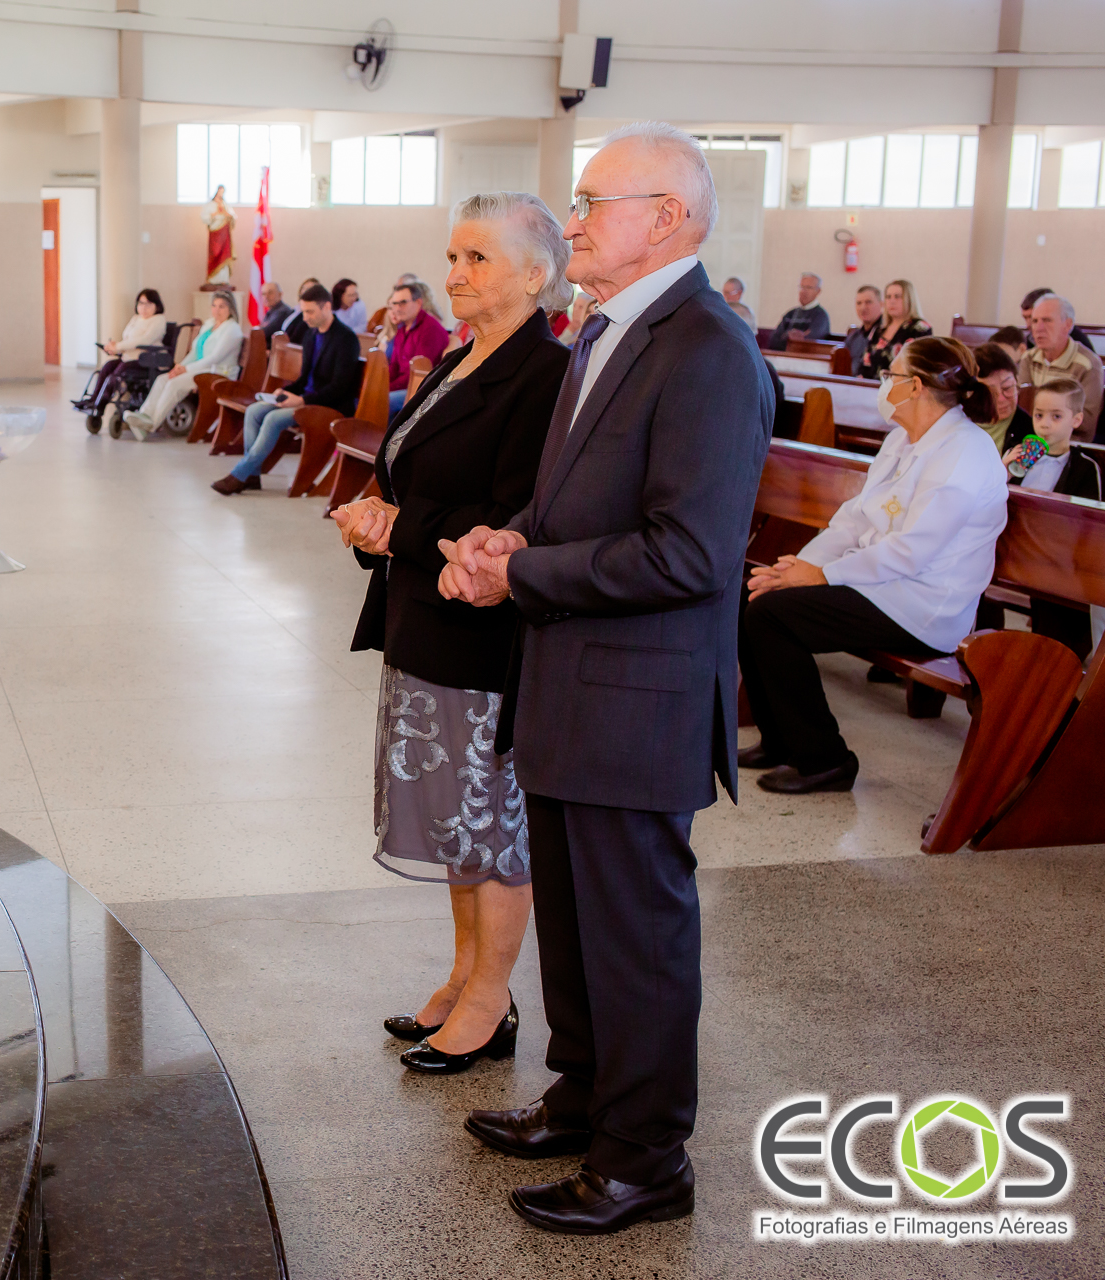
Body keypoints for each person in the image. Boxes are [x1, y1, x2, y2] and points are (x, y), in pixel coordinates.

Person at [439, 121, 771, 1236]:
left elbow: (691, 554)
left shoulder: (708, 350)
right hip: (571, 678)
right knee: (578, 925)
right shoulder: (604, 334)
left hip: (640, 699)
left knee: (637, 936)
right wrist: (512, 542)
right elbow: (577, 503)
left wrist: (526, 570)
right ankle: (582, 1098)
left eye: (591, 203)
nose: (572, 222)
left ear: (666, 219)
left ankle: (645, 1156)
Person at [334, 193, 569, 1078]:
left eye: (477, 258)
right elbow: (410, 474)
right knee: (456, 825)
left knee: (491, 825)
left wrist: (403, 526)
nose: (456, 273)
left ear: (536, 275)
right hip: (423, 616)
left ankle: (491, 998)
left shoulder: (545, 377)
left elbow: (516, 515)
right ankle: (466, 975)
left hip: (482, 626)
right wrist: (376, 517)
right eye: (454, 256)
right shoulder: (462, 359)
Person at [741, 336, 1008, 794]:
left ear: (916, 386)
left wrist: (822, 575)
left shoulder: (966, 451)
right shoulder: (903, 439)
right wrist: (800, 567)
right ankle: (781, 740)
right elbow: (855, 518)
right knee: (757, 595)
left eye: (890, 375)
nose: (884, 384)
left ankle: (825, 759)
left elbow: (913, 550)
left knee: (773, 617)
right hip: (881, 585)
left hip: (924, 605)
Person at [211, 284, 359, 494]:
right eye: (303, 311)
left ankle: (239, 474)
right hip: (306, 400)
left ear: (326, 307)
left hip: (329, 406)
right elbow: (304, 378)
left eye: (310, 312)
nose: (305, 318)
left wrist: (302, 400)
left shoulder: (346, 339)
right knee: (254, 411)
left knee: (273, 418)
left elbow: (340, 387)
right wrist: (285, 392)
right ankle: (252, 477)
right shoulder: (311, 335)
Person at [1003, 378, 1101, 657]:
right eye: (1039, 415)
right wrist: (1003, 472)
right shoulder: (1019, 456)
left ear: (1076, 419)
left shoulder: (1084, 467)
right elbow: (995, 500)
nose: (1045, 424)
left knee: (1058, 608)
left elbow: (1087, 523)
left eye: (1056, 416)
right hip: (1014, 548)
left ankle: (1057, 658)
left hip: (1056, 558)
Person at [124, 291, 243, 440]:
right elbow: (195, 352)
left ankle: (152, 423)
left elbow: (215, 358)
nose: (217, 310)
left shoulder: (232, 330)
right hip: (201, 369)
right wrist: (179, 367)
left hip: (217, 374)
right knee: (163, 379)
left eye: (222, 306)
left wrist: (186, 369)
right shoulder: (209, 325)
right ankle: (144, 416)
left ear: (231, 309)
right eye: (214, 306)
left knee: (174, 384)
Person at [77, 289, 168, 425]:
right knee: (107, 367)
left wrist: (118, 347)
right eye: (141, 303)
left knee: (120, 370)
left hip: (147, 360)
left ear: (157, 305)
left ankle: (101, 403)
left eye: (148, 304)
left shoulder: (158, 320)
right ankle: (93, 400)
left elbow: (145, 340)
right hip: (128, 357)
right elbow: (128, 339)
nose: (144, 308)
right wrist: (113, 347)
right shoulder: (136, 319)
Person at [1024, 293, 1103, 442]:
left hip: (1070, 447)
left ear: (1067, 325)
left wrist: (1043, 413)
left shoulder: (1088, 365)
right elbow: (1022, 406)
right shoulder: (1028, 358)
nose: (1038, 328)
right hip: (1032, 442)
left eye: (1047, 320)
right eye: (1035, 321)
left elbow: (1086, 422)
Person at [383, 282, 450, 416]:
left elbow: (419, 373)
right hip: (402, 386)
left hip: (422, 389)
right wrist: (382, 385)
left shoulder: (430, 329)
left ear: (418, 303)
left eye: (403, 303)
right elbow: (394, 365)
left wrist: (388, 389)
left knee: (385, 401)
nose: (397, 308)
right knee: (370, 395)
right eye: (394, 304)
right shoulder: (402, 328)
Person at [856, 279, 931, 379]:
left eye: (897, 296)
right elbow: (865, 364)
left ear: (909, 299)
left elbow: (920, 368)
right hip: (873, 386)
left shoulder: (920, 328)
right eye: (888, 297)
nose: (892, 301)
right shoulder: (879, 329)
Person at [972, 343, 1031, 452]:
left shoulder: (1029, 432)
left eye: (1007, 388)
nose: (1000, 399)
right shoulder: (959, 420)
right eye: (990, 393)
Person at [765, 273, 831, 349]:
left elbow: (810, 341)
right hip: (783, 354)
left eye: (808, 287)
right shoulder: (790, 314)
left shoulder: (820, 316)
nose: (804, 291)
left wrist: (788, 337)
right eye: (802, 287)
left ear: (818, 291)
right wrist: (788, 335)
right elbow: (774, 340)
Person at [1022, 287, 1097, 352]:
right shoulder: (1029, 340)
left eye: (1031, 318)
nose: (1028, 325)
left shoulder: (1077, 340)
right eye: (1035, 320)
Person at [844, 285, 885, 370]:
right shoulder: (853, 337)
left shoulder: (887, 335)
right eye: (859, 303)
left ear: (881, 304)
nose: (863, 308)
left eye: (868, 302)